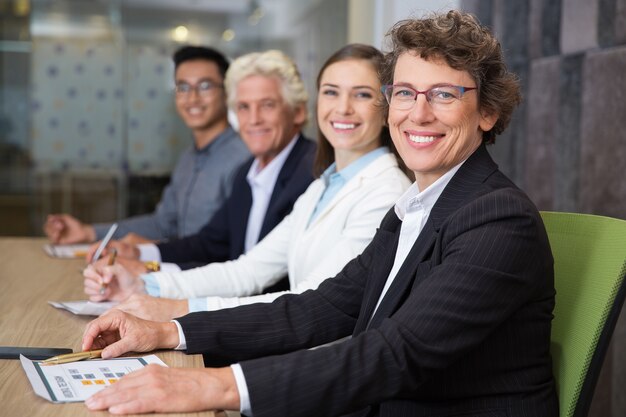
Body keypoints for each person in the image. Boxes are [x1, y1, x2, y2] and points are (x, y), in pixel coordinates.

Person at [81, 11, 558, 417]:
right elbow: (323, 305)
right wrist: (168, 331)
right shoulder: (416, 205)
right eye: (406, 92)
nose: (418, 112)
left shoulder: (498, 219)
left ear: (488, 111)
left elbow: (397, 352)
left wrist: (215, 385)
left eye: (444, 95)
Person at [83, 44, 411, 321]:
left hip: (320, 367)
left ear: (387, 109)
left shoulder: (385, 193)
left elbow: (309, 301)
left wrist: (173, 307)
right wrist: (143, 286)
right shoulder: (323, 185)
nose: (342, 108)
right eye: (331, 92)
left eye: (362, 94)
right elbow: (246, 271)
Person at [84, 50, 317, 294]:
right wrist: (139, 254)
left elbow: (255, 277)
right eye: (244, 107)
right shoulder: (247, 172)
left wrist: (149, 274)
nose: (254, 119)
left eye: (267, 105)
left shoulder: (311, 175)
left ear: (298, 112)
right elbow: (210, 244)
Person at [43, 46, 251, 244]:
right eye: (183, 87)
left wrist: (154, 251)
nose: (192, 98)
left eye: (205, 86)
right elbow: (162, 225)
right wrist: (88, 232)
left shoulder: (243, 159)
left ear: (227, 93)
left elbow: (230, 248)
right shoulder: (188, 158)